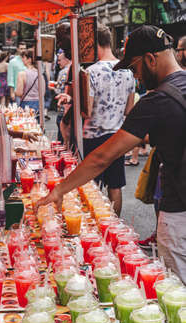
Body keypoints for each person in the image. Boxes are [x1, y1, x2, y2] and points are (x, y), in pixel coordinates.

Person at [37, 25, 186, 284]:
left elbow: (101, 158)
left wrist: (60, 190)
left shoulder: (156, 101)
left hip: (178, 214)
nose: (136, 78)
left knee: (178, 295)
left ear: (151, 59)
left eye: (136, 69)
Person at [82, 25, 135, 216]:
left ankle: (95, 228)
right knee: (115, 185)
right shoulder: (128, 72)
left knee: (92, 186)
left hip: (93, 136)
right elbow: (129, 109)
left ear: (96, 44)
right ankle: (114, 226)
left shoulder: (91, 72)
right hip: (117, 136)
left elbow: (86, 111)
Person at [50, 49, 71, 143]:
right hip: (70, 111)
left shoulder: (63, 72)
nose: (58, 63)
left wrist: (53, 88)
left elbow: (59, 91)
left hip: (63, 110)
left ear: (66, 59)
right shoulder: (74, 68)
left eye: (59, 60)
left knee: (62, 141)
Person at [15, 49, 45, 116]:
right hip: (38, 104)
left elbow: (19, 93)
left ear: (29, 59)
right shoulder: (40, 74)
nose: (22, 59)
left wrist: (14, 91)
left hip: (26, 104)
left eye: (24, 57)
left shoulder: (22, 74)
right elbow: (43, 92)